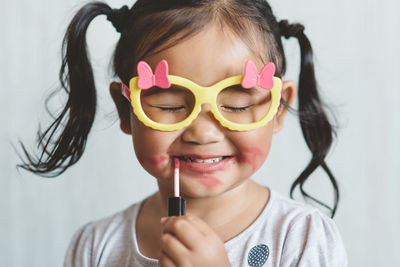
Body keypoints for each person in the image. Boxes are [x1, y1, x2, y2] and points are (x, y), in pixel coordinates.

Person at [18, 0, 348, 266]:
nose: (202, 133)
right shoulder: (95, 248)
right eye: (170, 104)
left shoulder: (302, 239)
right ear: (126, 110)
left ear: (277, 109)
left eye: (233, 105)